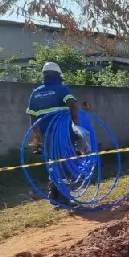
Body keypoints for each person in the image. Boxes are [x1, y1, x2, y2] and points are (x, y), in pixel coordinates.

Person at [26, 62, 81, 209]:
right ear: (58, 75)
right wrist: (77, 127)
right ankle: (64, 199)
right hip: (63, 134)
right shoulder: (62, 89)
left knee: (53, 164)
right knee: (64, 164)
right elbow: (74, 107)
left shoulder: (36, 93)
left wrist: (37, 138)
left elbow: (32, 119)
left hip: (47, 136)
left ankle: (54, 197)